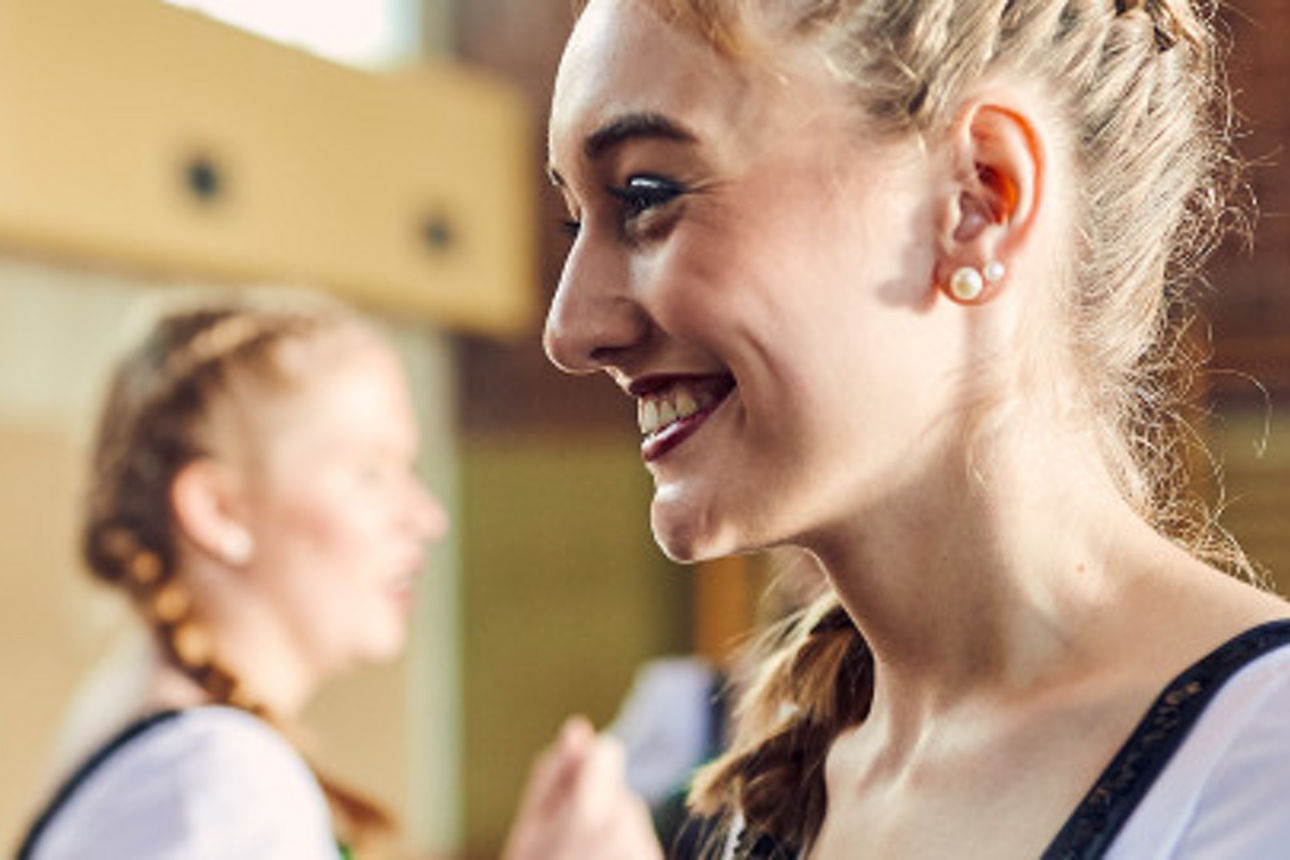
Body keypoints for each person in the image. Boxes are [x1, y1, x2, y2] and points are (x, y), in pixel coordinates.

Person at [543, 0, 1290, 857]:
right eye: (574, 221)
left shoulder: (1264, 774)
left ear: (978, 200)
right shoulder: (774, 799)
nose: (569, 330)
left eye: (648, 194)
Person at [17, 289, 656, 859]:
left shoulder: (170, 747)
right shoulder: (220, 781)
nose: (427, 517)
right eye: (371, 472)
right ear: (218, 509)